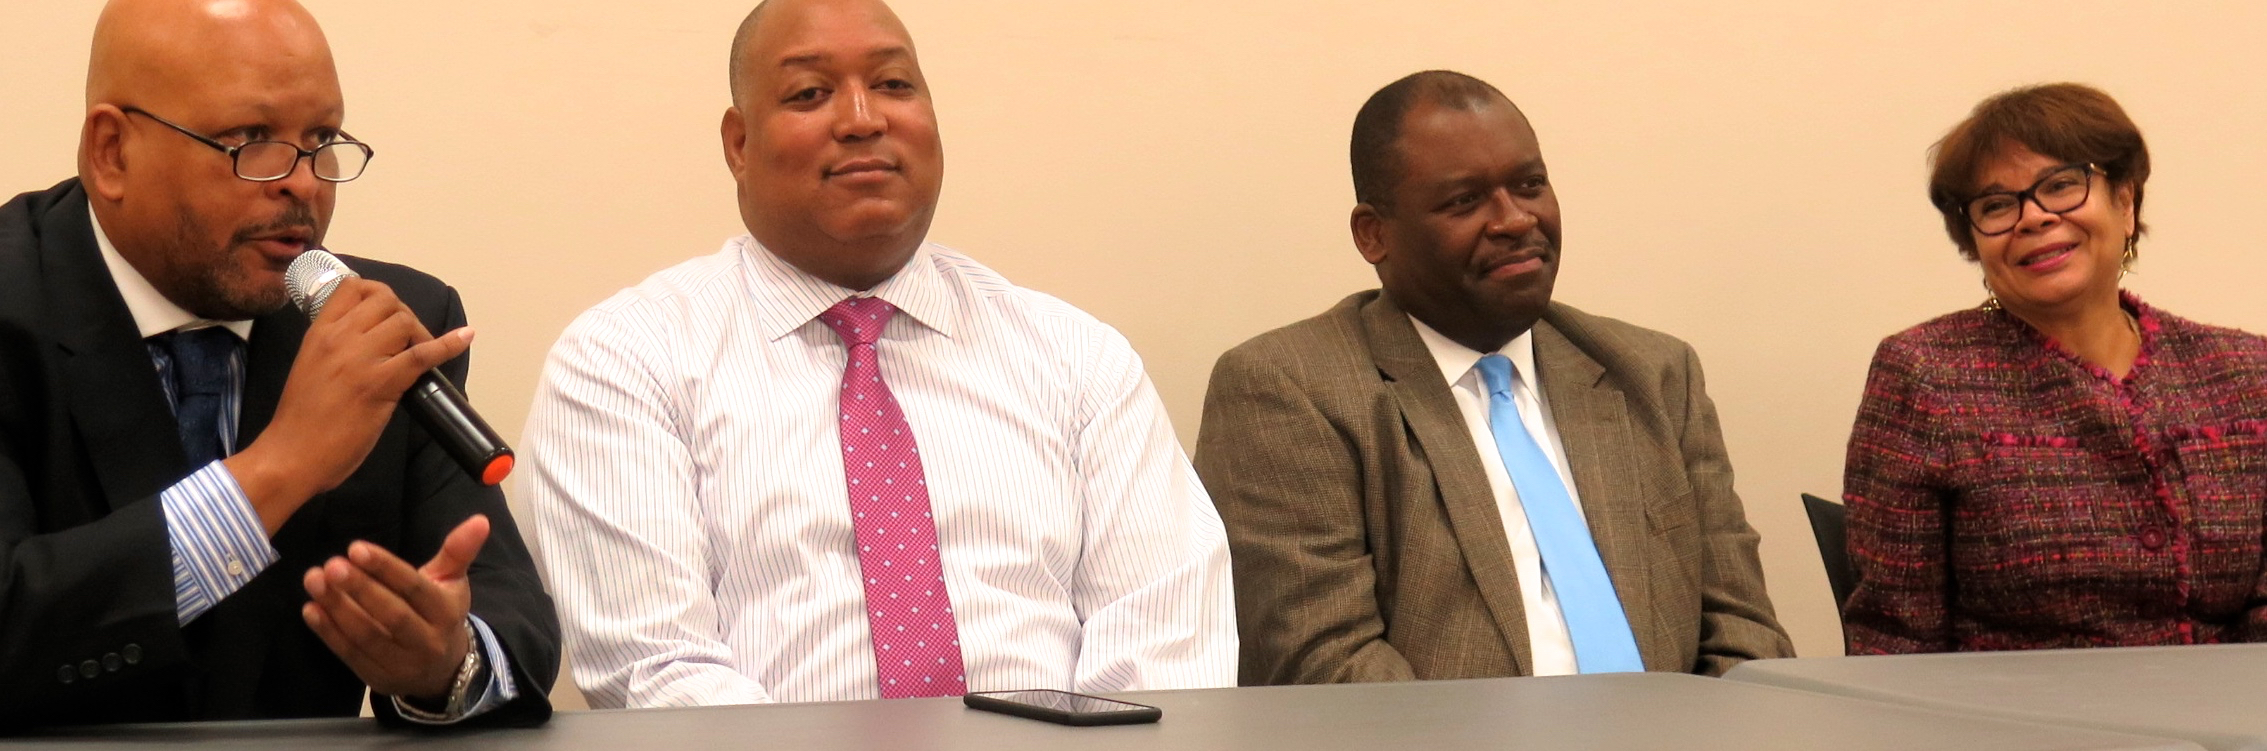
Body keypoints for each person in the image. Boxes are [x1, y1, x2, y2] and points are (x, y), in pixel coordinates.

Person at [520, 0, 1235, 708]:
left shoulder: (1078, 358)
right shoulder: (622, 360)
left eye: (894, 85)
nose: (863, 118)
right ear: (738, 144)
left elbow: (1166, 650)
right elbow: (657, 669)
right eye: (809, 93)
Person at [0, 0, 558, 728]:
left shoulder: (384, 324)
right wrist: (282, 464)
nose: (306, 183)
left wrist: (443, 665)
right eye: (250, 139)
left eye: (321, 138)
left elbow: (505, 609)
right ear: (112, 152)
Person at [1195, 70, 1791, 685]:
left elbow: (1745, 634)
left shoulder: (1653, 373)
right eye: (1465, 201)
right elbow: (1323, 665)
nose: (1514, 220)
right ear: (1374, 234)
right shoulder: (1291, 390)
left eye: (1530, 185)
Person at [1842, 83, 2267, 654]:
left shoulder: (2244, 371)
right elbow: (1894, 638)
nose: (2034, 217)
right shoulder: (1925, 374)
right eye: (1996, 206)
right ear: (1974, 242)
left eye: (2062, 185)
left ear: (2125, 201)